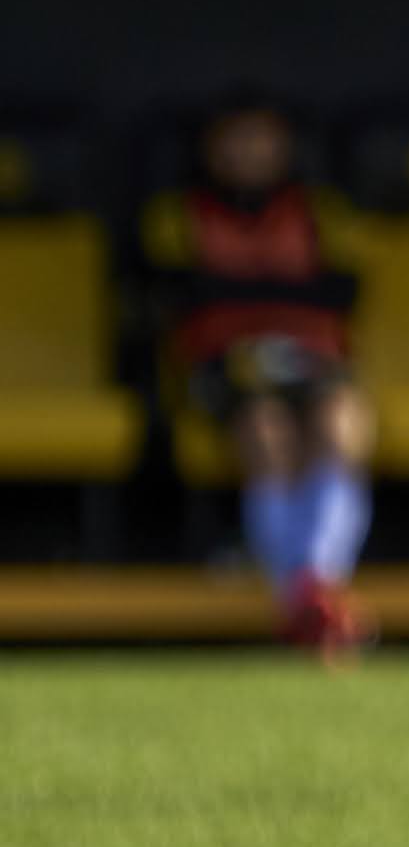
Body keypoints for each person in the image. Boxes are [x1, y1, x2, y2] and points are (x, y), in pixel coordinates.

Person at [143, 93, 373, 661]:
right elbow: (175, 294)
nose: (250, 152)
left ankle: (312, 587)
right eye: (236, 139)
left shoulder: (322, 212)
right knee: (267, 432)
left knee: (341, 423)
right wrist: (270, 298)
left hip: (310, 359)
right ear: (211, 148)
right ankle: (307, 597)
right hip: (223, 365)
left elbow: (344, 290)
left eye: (261, 138)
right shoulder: (177, 215)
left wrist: (247, 294)